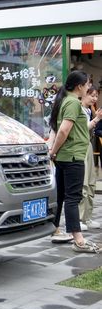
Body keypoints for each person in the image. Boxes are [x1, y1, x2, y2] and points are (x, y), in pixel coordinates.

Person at [48, 71, 101, 253]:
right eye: (87, 85)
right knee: (73, 197)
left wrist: (55, 152)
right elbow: (63, 130)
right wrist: (53, 151)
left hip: (65, 156)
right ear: (79, 86)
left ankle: (55, 229)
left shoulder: (65, 100)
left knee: (61, 195)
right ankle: (78, 240)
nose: (88, 88)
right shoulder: (72, 103)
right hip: (72, 157)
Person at [79, 87, 101, 230]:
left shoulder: (88, 110)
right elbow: (83, 128)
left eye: (96, 96)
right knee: (84, 184)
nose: (94, 98)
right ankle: (79, 219)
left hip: (88, 145)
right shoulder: (78, 109)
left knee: (91, 183)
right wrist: (97, 119)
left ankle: (87, 217)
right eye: (92, 95)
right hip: (80, 147)